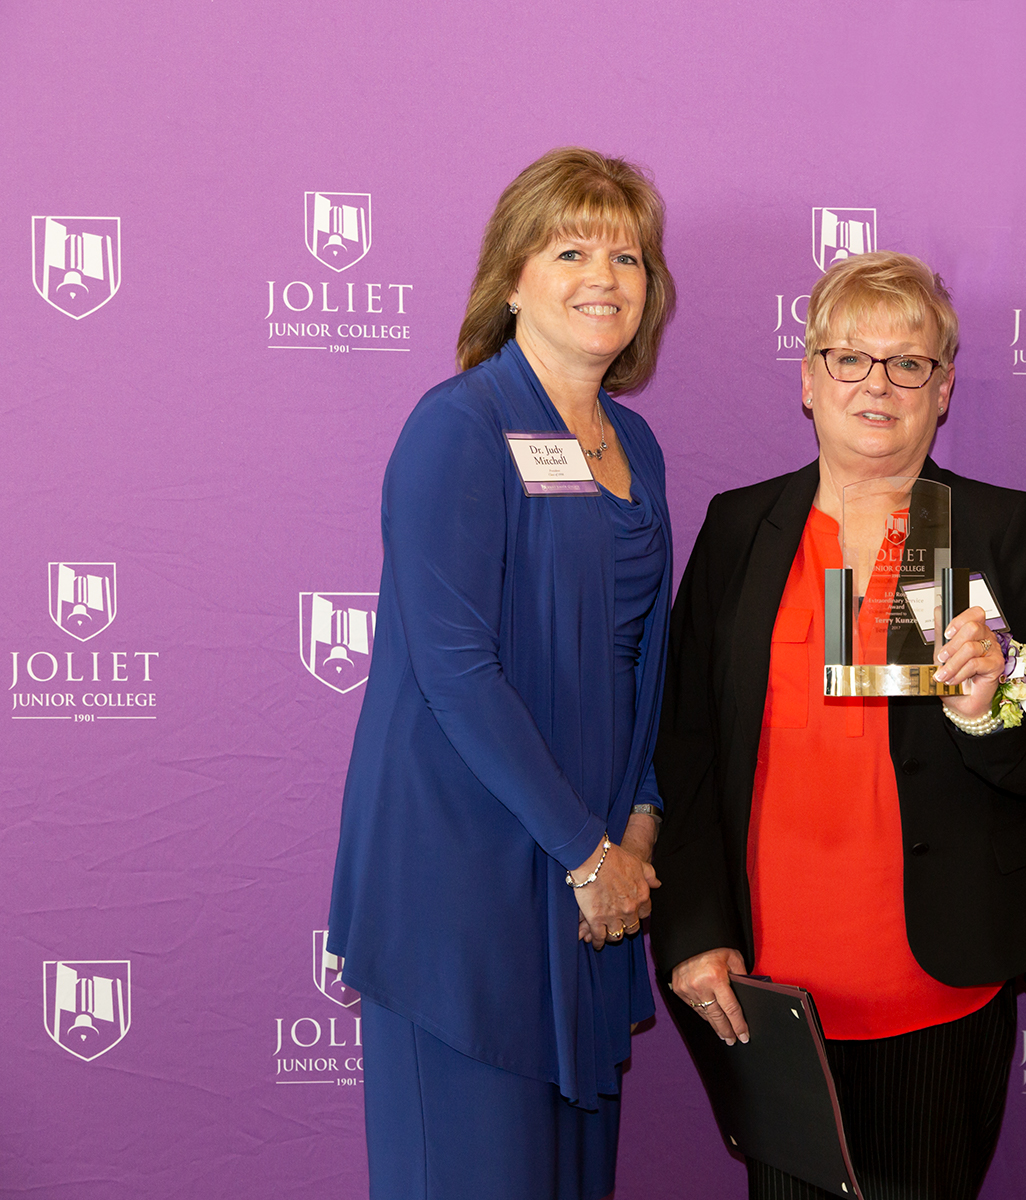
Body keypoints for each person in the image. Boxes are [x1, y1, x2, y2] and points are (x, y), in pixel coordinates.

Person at [653, 251, 1026, 1200]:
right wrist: (693, 929)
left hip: (938, 975)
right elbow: (684, 749)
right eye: (849, 358)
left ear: (944, 390)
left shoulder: (997, 530)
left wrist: (987, 712)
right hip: (770, 984)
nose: (877, 384)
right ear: (808, 381)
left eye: (909, 362)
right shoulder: (738, 529)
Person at [326, 146, 678, 1199]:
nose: (604, 276)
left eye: (628, 254)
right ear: (511, 277)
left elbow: (639, 659)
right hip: (471, 879)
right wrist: (588, 852)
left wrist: (642, 823)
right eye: (570, 247)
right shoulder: (459, 427)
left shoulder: (641, 445)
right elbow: (455, 670)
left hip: (593, 881)